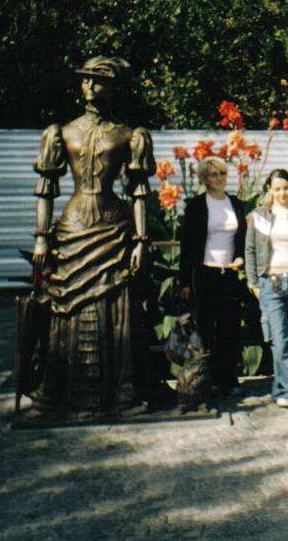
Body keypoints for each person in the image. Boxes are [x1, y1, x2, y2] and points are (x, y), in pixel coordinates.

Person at [30, 56, 155, 415]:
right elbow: (46, 188)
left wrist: (142, 240)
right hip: (72, 226)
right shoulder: (61, 132)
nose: (88, 87)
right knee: (65, 305)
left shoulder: (129, 135)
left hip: (113, 227)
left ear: (111, 87)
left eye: (96, 81)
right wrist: (41, 237)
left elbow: (139, 191)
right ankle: (58, 393)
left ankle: (121, 392)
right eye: (84, 80)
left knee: (116, 307)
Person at [244, 169, 288, 410]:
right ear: (270, 191)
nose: (282, 193)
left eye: (286, 188)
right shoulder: (258, 217)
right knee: (280, 338)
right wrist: (253, 282)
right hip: (270, 283)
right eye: (277, 189)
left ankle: (281, 390)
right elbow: (250, 250)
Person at [179, 157, 246, 397]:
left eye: (223, 173)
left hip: (228, 273)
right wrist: (184, 280)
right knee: (207, 327)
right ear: (205, 179)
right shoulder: (196, 205)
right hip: (204, 272)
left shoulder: (235, 204)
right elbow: (186, 245)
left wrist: (240, 258)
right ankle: (209, 379)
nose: (219, 178)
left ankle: (230, 379)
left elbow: (242, 239)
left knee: (229, 326)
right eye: (214, 174)